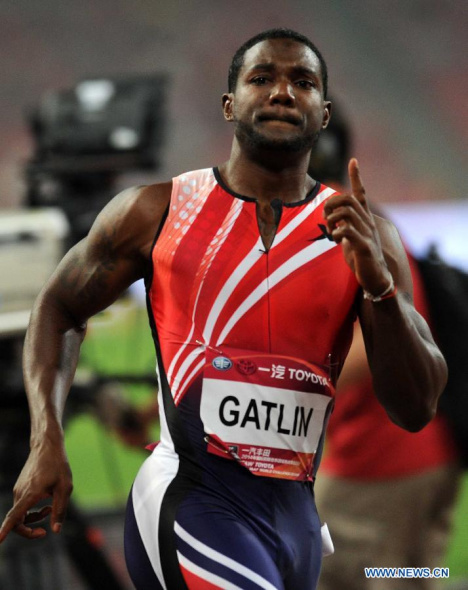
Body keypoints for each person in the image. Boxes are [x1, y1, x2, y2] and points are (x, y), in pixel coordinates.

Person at [0, 28, 448, 590]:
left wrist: (380, 289)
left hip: (296, 524)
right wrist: (47, 438)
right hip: (190, 504)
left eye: (302, 82)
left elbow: (416, 408)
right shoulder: (156, 212)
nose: (282, 92)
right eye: (262, 78)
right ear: (229, 104)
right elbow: (59, 307)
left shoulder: (364, 237)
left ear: (325, 113)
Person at [309, 103, 461, 590]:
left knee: (390, 577)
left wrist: (288, 383)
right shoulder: (358, 219)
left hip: (389, 462)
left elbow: (379, 340)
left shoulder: (356, 227)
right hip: (392, 456)